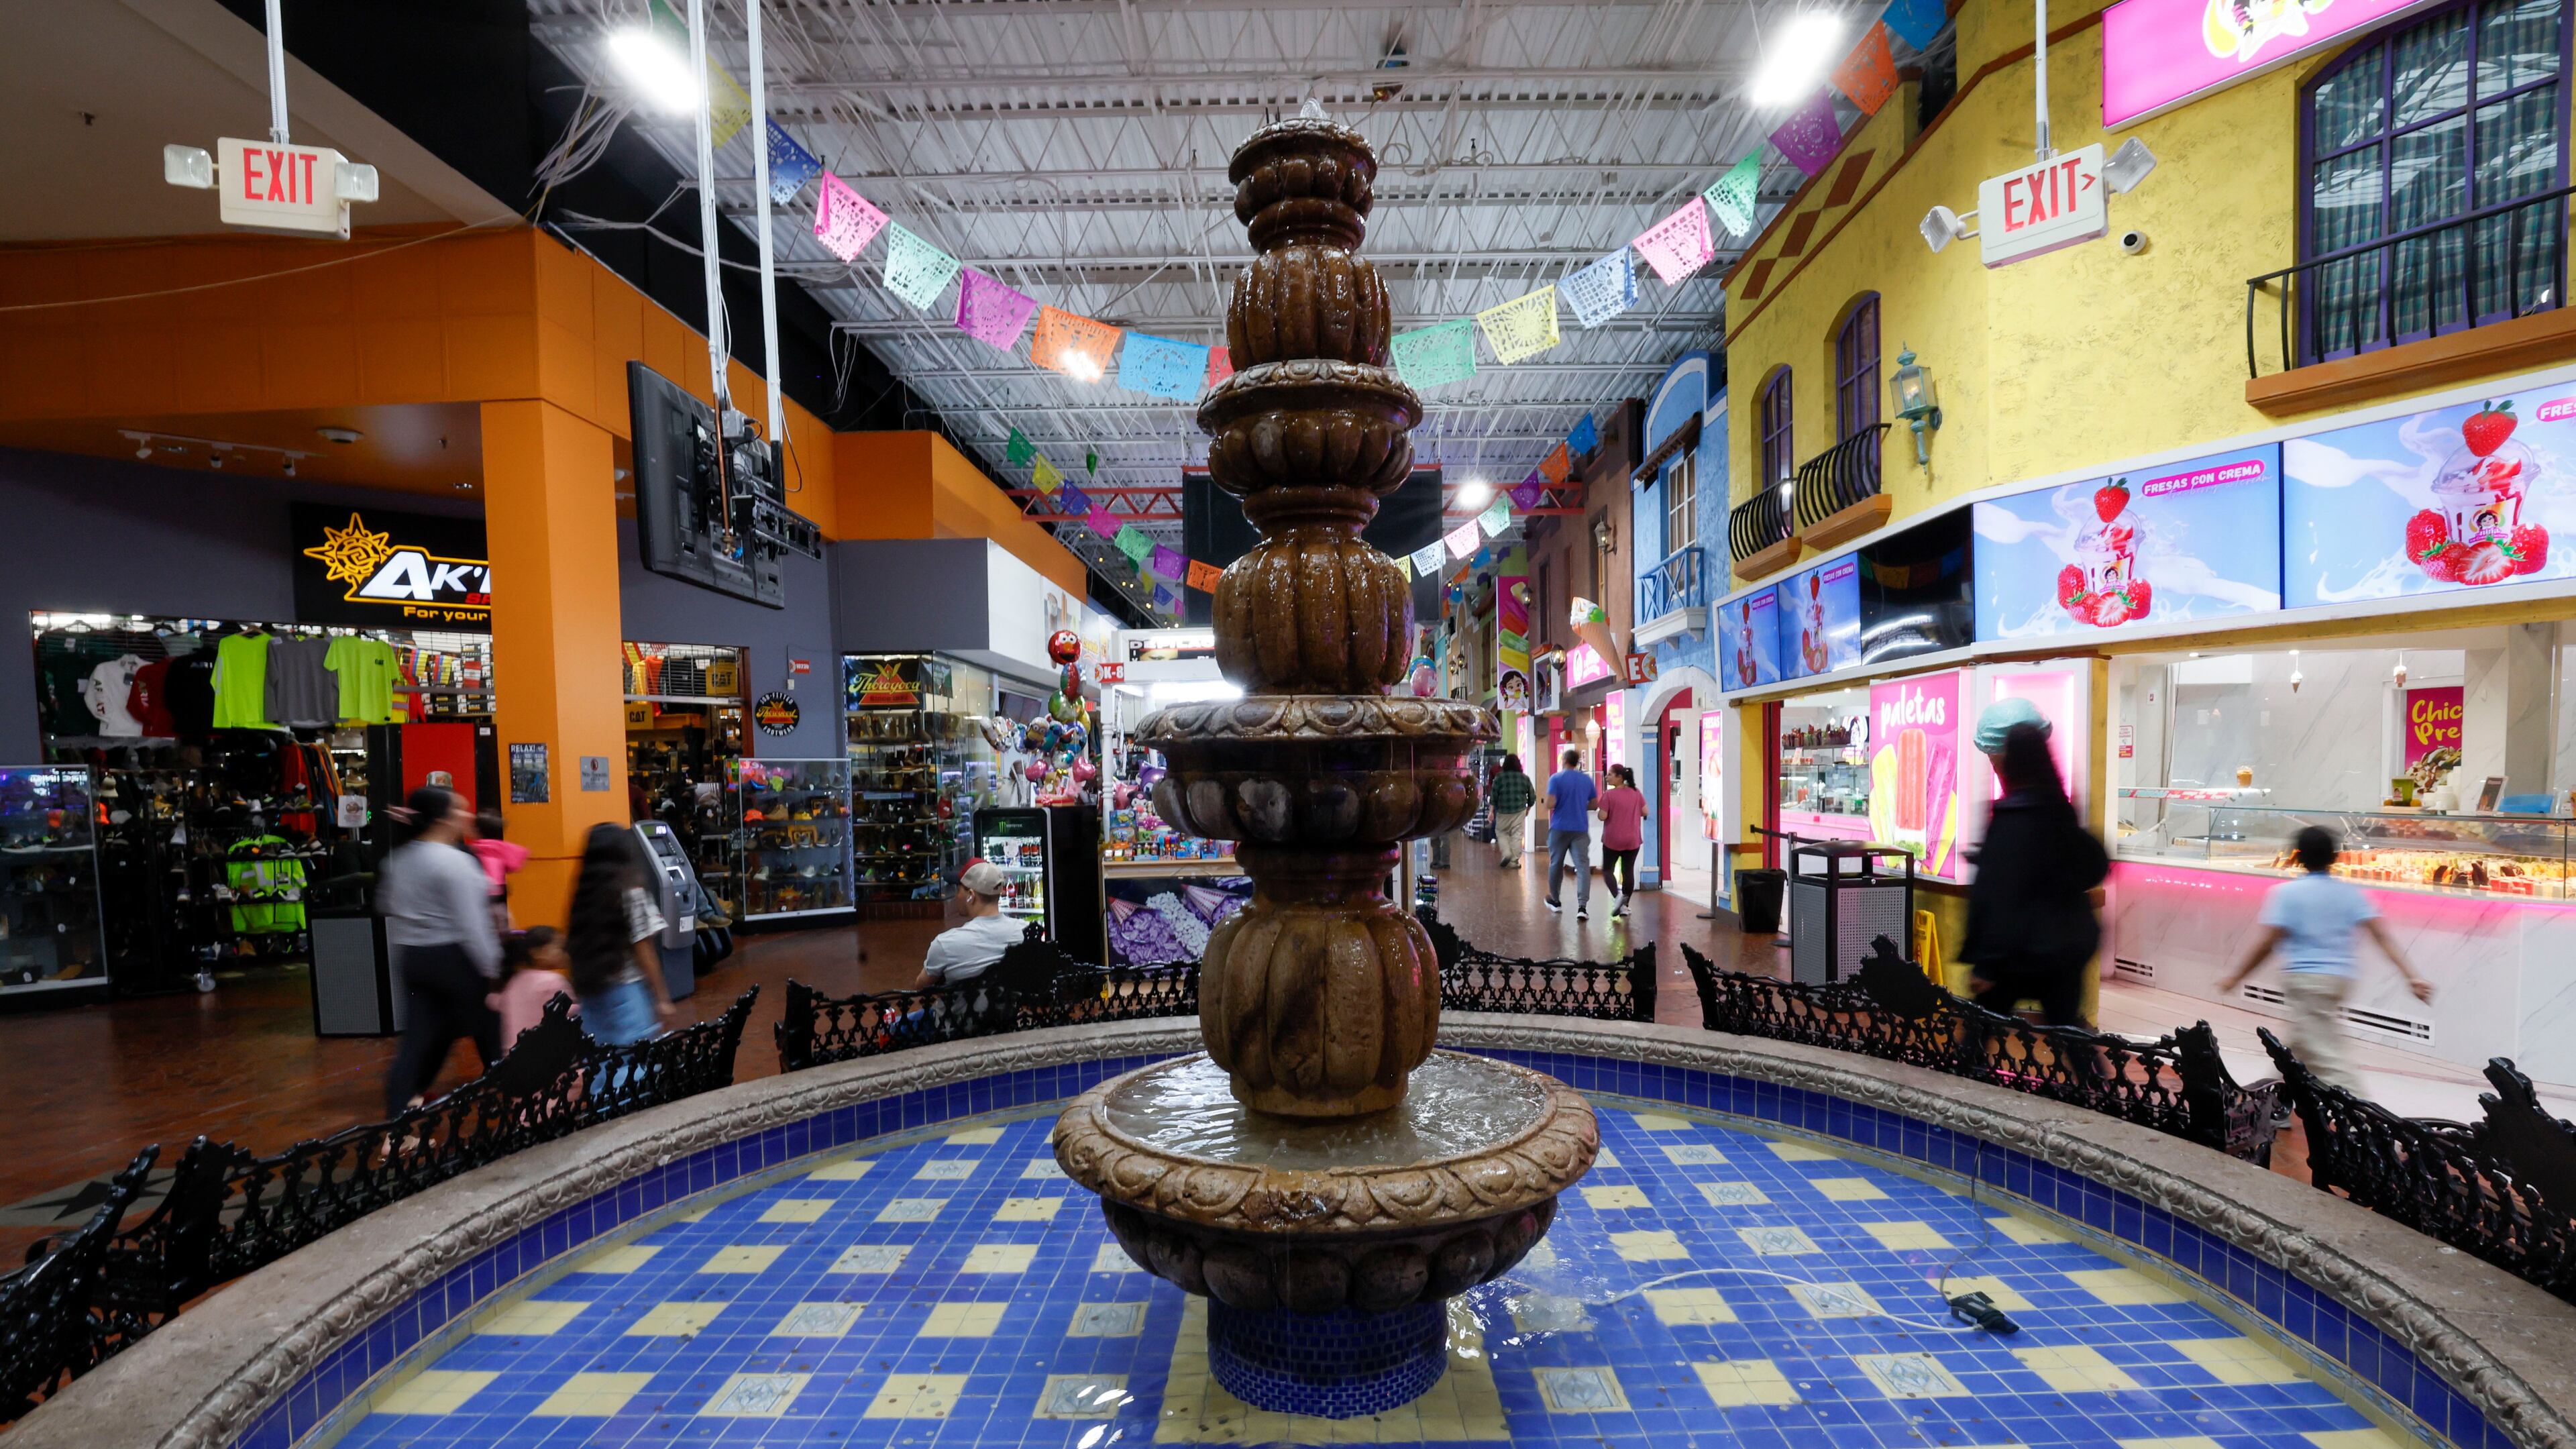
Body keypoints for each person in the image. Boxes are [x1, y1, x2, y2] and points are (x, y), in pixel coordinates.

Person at [2219, 825, 2432, 1094]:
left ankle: (2363, 1118)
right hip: (2339, 980)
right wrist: (2411, 976)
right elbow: (2383, 937)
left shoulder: (2286, 894)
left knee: (2329, 1058)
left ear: (2297, 857)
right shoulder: (2352, 894)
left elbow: (2267, 944)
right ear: (2335, 857)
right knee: (2296, 1049)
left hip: (2306, 982)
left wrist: (2236, 977)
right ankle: (2275, 1104)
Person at [1957, 718, 2108, 1028]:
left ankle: (1959, 1078)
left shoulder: (2009, 817)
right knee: (2069, 1032)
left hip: (2016, 954)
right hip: (2065, 950)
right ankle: (2096, 1078)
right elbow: (2094, 865)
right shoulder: (2062, 812)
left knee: (1979, 1031)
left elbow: (1998, 894)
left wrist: (1986, 963)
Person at [378, 785, 502, 1114]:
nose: (467, 816)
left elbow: (387, 904)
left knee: (420, 1037)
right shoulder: (456, 863)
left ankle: (400, 1109)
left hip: (413, 956)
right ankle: (511, 1102)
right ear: (443, 819)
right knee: (492, 1031)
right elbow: (473, 926)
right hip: (454, 957)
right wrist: (494, 970)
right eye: (460, 810)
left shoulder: (399, 860)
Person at [566, 823, 682, 1045]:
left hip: (593, 995)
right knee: (632, 1065)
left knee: (602, 1065)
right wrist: (662, 997)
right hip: (627, 995)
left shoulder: (584, 896)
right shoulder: (631, 892)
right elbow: (644, 949)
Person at [912, 860, 1028, 988]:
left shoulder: (945, 944)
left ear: (971, 895)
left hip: (956, 1009)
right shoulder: (1024, 931)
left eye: (959, 889)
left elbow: (920, 987)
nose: (957, 896)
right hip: (1007, 1008)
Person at [486, 926, 574, 1050]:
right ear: (537, 953)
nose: (567, 953)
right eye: (561, 948)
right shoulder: (552, 981)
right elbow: (572, 1013)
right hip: (547, 1059)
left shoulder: (515, 980)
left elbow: (494, 1001)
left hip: (513, 1059)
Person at [1543, 747, 1599, 920]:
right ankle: (1582, 907)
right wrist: (1579, 805)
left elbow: (1550, 804)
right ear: (1577, 763)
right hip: (1580, 828)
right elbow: (1594, 804)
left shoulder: (1556, 779)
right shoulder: (1586, 780)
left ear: (1564, 761)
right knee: (1582, 866)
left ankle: (1555, 900)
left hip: (1560, 827)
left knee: (1556, 864)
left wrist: (1549, 803)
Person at [1598, 764, 1648, 917]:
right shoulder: (1636, 792)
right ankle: (1625, 906)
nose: (1607, 777)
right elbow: (1645, 811)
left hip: (1613, 839)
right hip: (1633, 840)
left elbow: (1603, 816)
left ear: (1620, 777)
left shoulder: (1609, 795)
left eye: (1610, 774)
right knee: (1628, 872)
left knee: (1607, 870)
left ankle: (1617, 896)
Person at [468, 809, 528, 933]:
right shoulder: (503, 849)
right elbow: (514, 866)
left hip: (477, 897)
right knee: (502, 929)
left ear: (477, 830)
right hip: (498, 898)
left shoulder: (473, 849)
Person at [1489, 753, 1536, 869]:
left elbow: (1494, 796)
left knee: (1501, 832)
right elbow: (1532, 796)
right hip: (1519, 810)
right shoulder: (1524, 778)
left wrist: (1491, 812)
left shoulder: (1499, 777)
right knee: (1517, 834)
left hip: (1503, 811)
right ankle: (1514, 861)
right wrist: (1528, 809)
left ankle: (1507, 854)